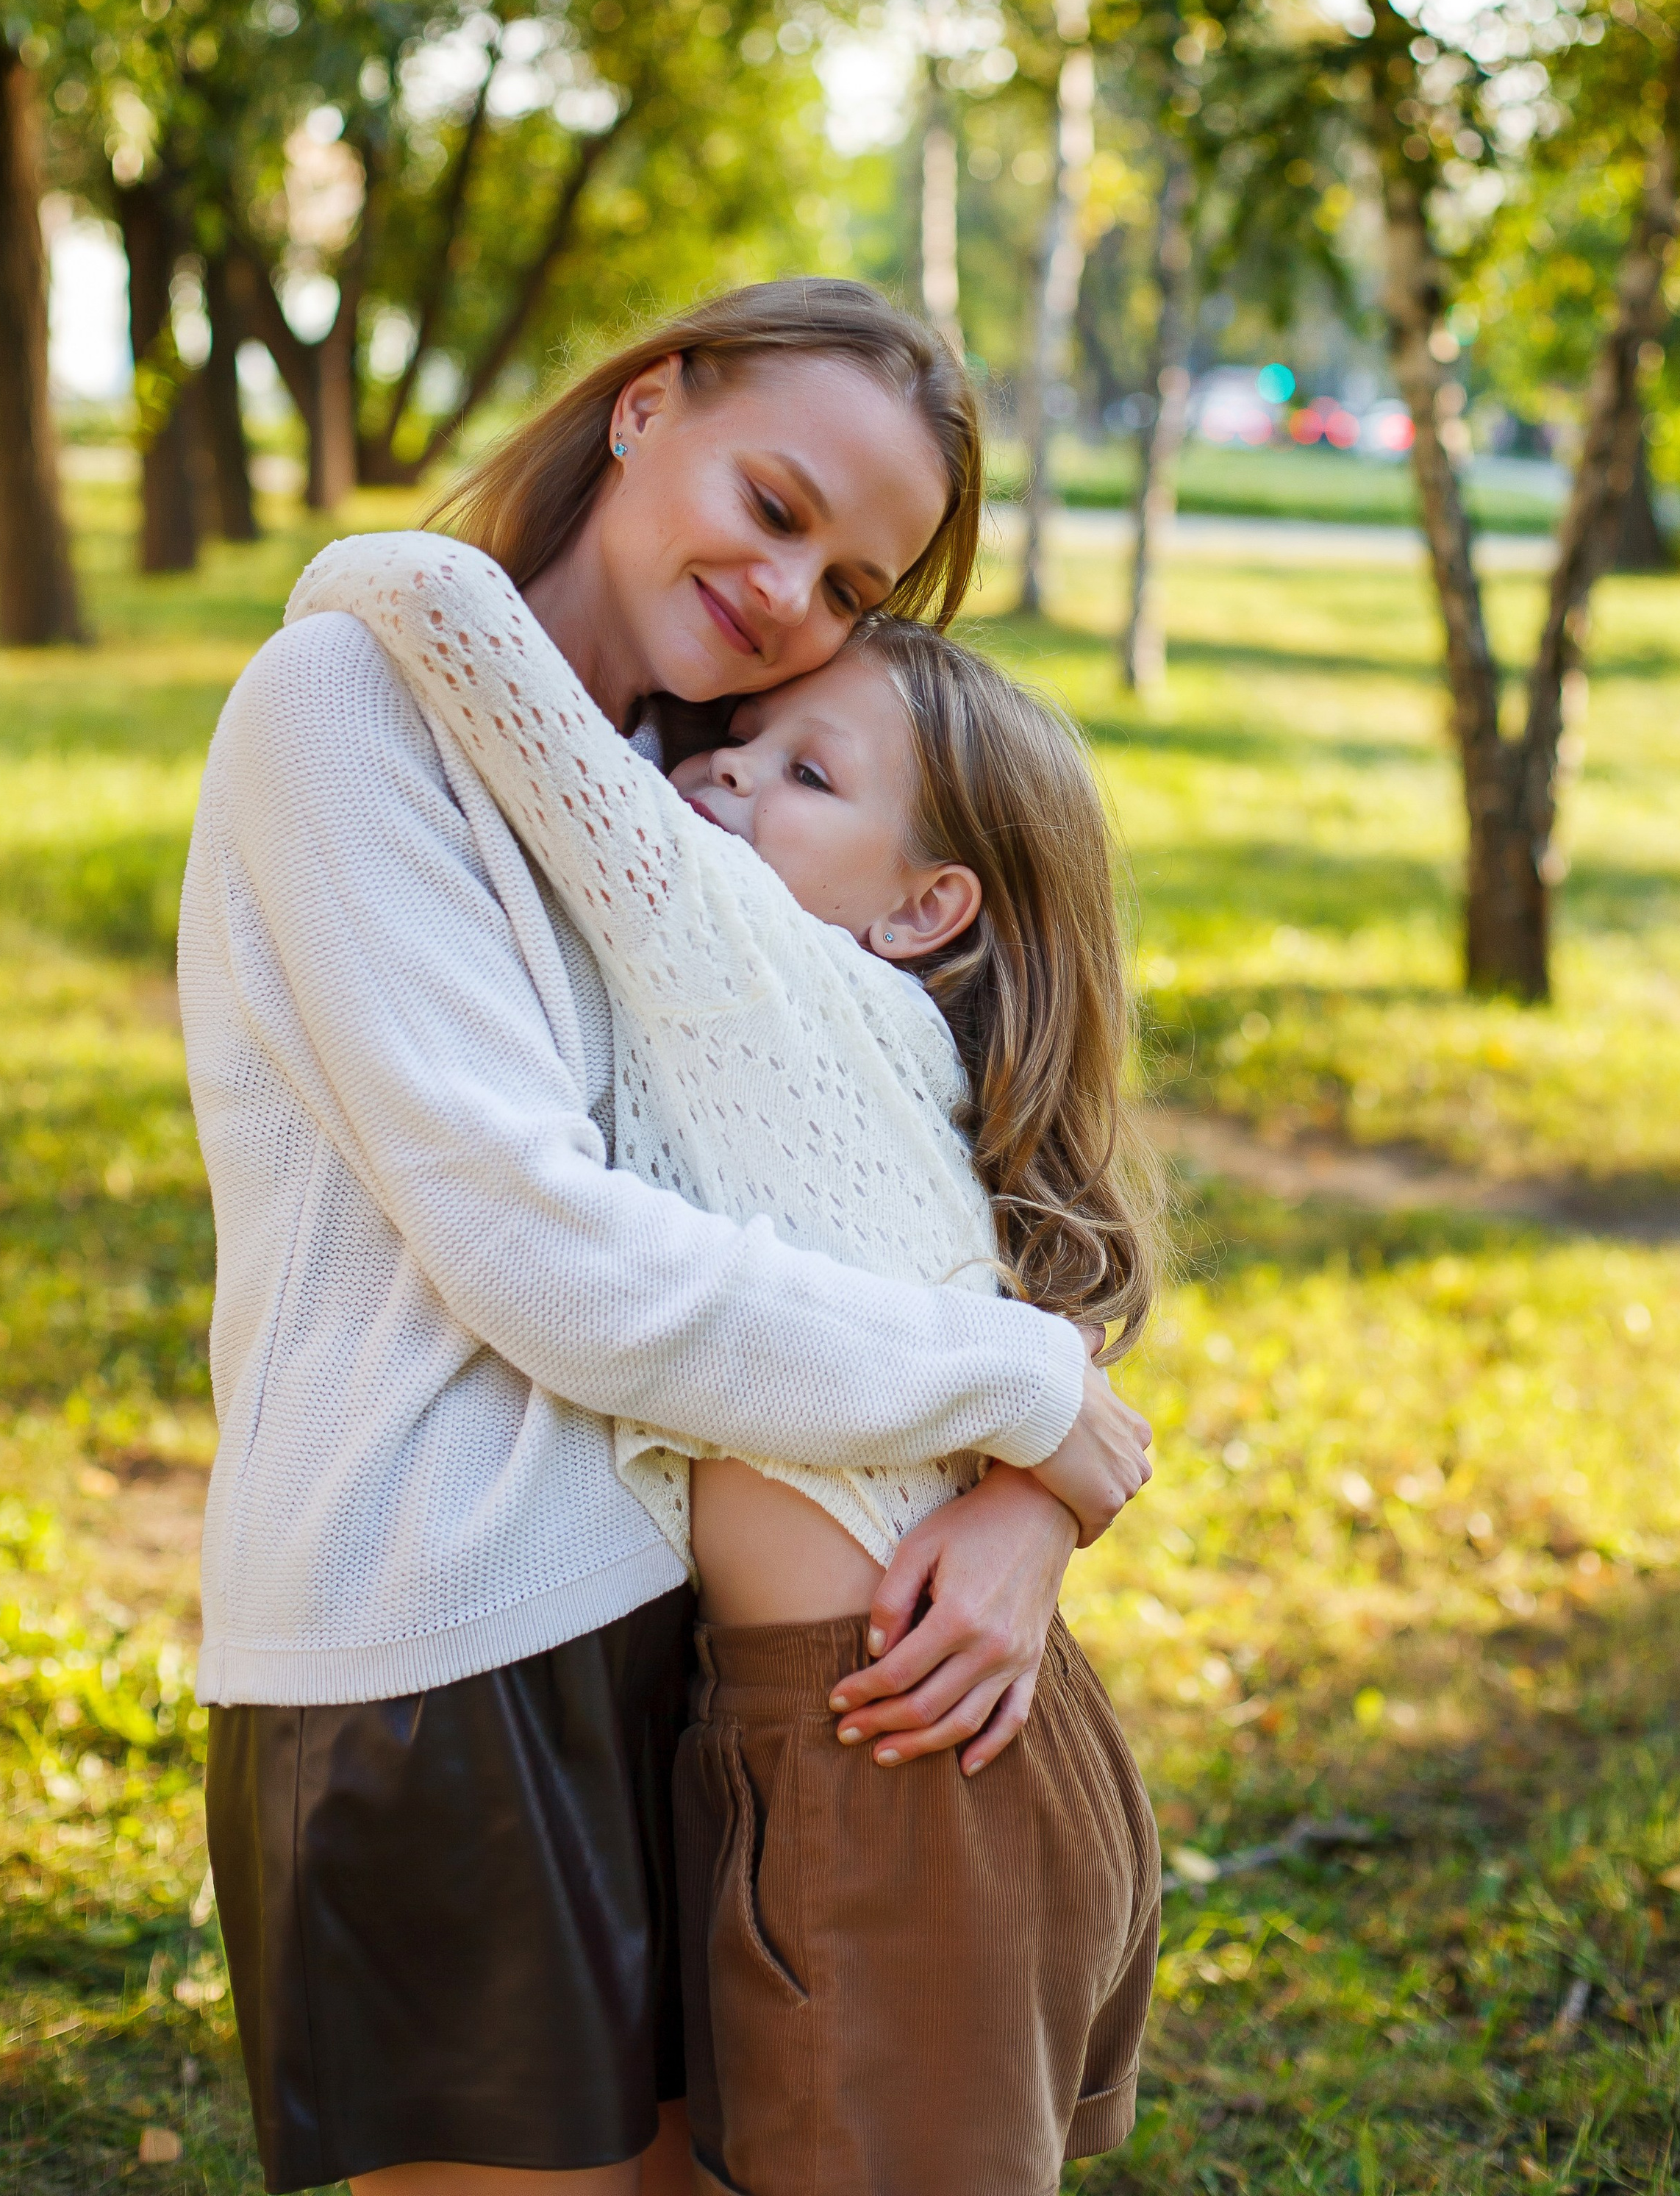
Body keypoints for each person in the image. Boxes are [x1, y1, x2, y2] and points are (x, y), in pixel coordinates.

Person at [178, 282, 1152, 2196]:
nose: (794, 593)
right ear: (644, 410)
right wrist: (1029, 1399)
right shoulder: (353, 702)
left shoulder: (690, 788)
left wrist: (1033, 1492)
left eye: (854, 582)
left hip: (705, 1666)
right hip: (442, 1647)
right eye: (776, 503)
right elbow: (542, 1247)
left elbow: (920, 1167)